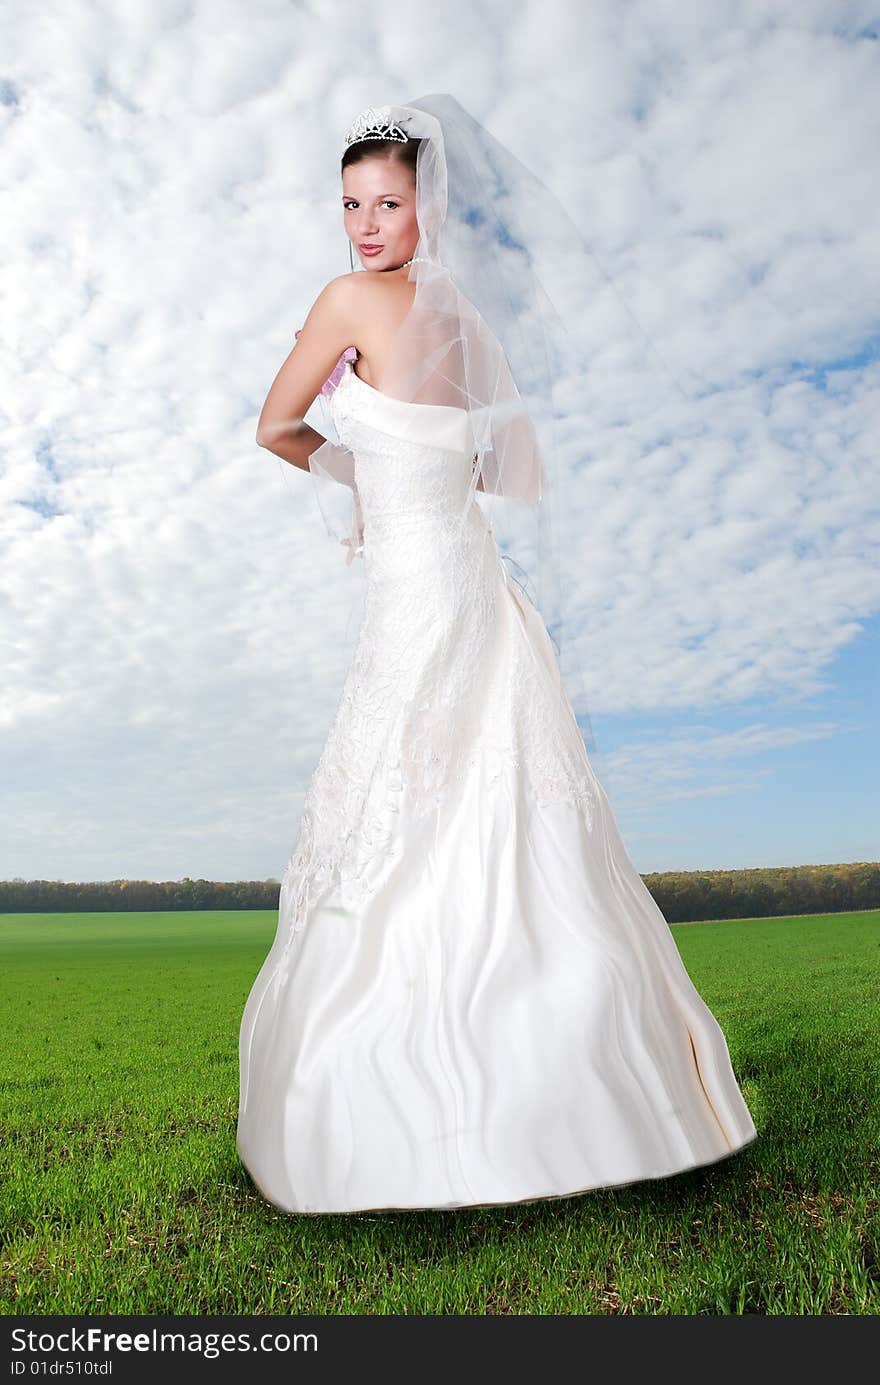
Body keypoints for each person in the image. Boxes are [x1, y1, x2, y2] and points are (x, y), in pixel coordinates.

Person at [236, 98, 758, 1215]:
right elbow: (506, 469)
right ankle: (597, 1099)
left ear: (430, 204)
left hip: (419, 590)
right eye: (350, 206)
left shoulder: (344, 304)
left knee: (404, 803)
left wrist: (364, 471)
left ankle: (411, 1121)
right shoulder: (469, 314)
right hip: (472, 578)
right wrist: (404, 470)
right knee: (496, 807)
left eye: (387, 202)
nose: (366, 225)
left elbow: (276, 428)